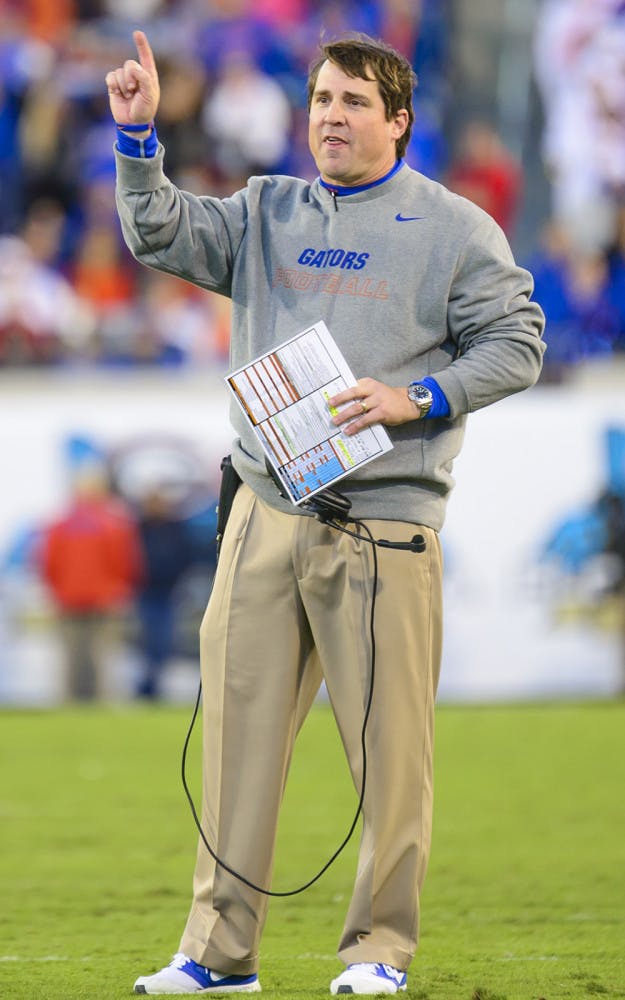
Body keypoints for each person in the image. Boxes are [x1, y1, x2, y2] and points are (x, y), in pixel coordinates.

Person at [106, 29, 545, 996]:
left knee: (389, 758)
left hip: (383, 523)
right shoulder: (266, 209)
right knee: (234, 740)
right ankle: (219, 956)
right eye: (318, 100)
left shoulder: (456, 228)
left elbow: (518, 342)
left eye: (352, 102)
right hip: (266, 510)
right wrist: (139, 144)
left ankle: (379, 953)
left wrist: (418, 398)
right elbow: (162, 232)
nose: (330, 118)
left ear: (398, 121)